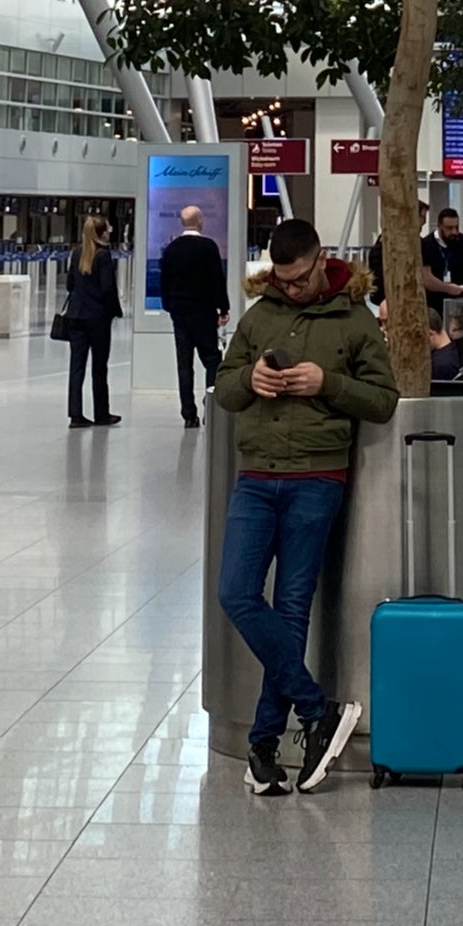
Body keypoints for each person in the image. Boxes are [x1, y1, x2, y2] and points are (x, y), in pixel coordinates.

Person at [209, 219, 399, 796]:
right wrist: (251, 380)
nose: (289, 289)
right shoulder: (259, 314)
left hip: (318, 476)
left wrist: (327, 383)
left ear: (321, 261)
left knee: (292, 609)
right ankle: (317, 711)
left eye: (298, 279)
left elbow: (384, 400)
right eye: (281, 280)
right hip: (257, 474)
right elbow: (223, 387)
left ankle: (264, 747)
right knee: (236, 592)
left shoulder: (356, 318)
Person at [155, 202, 231, 429]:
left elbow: (164, 281)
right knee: (212, 361)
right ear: (200, 221)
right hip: (203, 312)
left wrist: (169, 305)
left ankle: (188, 413)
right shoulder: (208, 247)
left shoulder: (171, 249)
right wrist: (223, 308)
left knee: (184, 364)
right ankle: (212, 407)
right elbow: (217, 279)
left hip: (180, 312)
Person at [60, 214, 124, 427]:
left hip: (76, 316)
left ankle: (75, 414)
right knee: (99, 367)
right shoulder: (103, 255)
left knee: (76, 367)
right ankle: (101, 413)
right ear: (101, 232)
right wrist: (115, 309)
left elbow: (70, 284)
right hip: (97, 317)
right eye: (107, 228)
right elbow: (107, 288)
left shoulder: (77, 253)